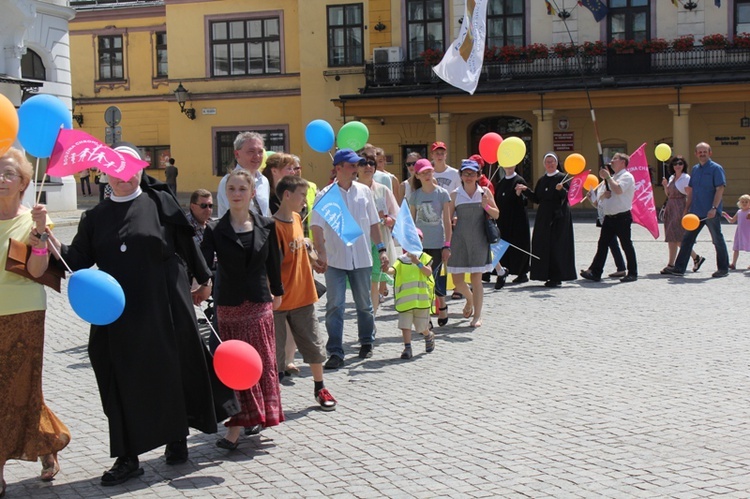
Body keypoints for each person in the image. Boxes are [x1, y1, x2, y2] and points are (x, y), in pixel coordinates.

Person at [46, 144, 217, 486]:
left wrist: (204, 279)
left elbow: (187, 244)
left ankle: (176, 436)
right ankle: (128, 457)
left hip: (162, 304)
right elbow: (75, 259)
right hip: (116, 313)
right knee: (118, 379)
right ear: (105, 174)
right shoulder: (94, 217)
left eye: (130, 168)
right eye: (115, 169)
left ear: (140, 170)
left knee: (169, 370)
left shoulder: (160, 203)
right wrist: (46, 235)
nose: (123, 176)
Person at [0, 148, 71, 496]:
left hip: (25, 315)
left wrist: (40, 235)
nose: (1, 179)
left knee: (20, 389)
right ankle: (49, 441)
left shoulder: (34, 220)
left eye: (8, 173)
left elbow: (37, 272)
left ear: (24, 182)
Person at [200, 169, 284, 450]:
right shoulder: (215, 228)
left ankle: (257, 415)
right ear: (226, 193)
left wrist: (278, 292)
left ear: (251, 193)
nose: (237, 194)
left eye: (242, 189)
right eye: (232, 189)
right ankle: (236, 425)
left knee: (262, 361)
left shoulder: (266, 224)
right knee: (235, 365)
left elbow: (274, 262)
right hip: (229, 305)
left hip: (259, 301)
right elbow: (202, 262)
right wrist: (199, 284)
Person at [310, 149, 389, 369]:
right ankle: (335, 351)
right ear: (338, 168)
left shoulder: (364, 192)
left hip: (362, 257)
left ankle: (366, 341)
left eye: (357, 165)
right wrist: (321, 253)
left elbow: (374, 223)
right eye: (352, 165)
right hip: (335, 259)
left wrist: (381, 249)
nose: (357, 169)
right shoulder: (325, 195)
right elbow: (316, 227)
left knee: (364, 304)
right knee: (335, 306)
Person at [272, 175, 336, 410]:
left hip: (304, 296)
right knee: (275, 353)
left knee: (313, 345)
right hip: (278, 301)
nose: (305, 201)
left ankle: (320, 387)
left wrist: (313, 259)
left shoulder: (298, 218)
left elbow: (301, 246)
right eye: (302, 195)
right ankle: (273, 398)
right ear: (287, 195)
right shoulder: (272, 227)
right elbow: (273, 263)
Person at [446, 159, 499, 328]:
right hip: (459, 240)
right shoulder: (454, 194)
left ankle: (477, 316)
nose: (468, 177)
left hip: (479, 239)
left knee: (477, 279)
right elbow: (447, 219)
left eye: (472, 174)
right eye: (465, 173)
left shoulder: (484, 192)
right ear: (460, 175)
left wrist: (487, 207)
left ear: (478, 175)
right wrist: (447, 240)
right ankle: (469, 299)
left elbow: (497, 214)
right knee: (457, 281)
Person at [665, 142, 730, 278]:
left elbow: (720, 189)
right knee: (687, 239)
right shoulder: (695, 169)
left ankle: (723, 268)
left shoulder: (716, 168)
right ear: (696, 154)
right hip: (695, 212)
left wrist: (714, 208)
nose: (702, 153)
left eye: (705, 151)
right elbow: (691, 191)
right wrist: (687, 209)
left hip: (710, 213)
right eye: (699, 152)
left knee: (717, 239)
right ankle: (679, 268)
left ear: (710, 153)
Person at [515, 152, 576, 287]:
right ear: (544, 164)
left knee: (556, 245)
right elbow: (537, 199)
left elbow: (569, 197)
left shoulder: (562, 178)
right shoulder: (542, 180)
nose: (550, 164)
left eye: (552, 161)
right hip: (543, 216)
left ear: (556, 163)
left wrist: (561, 190)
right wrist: (526, 190)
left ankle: (557, 277)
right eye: (547, 162)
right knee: (542, 245)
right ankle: (543, 274)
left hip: (559, 217)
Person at [580, 152, 638, 283]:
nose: (612, 161)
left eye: (615, 159)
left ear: (623, 162)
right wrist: (593, 198)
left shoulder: (626, 176)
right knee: (602, 244)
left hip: (622, 217)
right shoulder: (610, 178)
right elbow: (598, 203)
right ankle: (596, 272)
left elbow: (618, 190)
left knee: (626, 244)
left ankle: (633, 272)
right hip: (609, 217)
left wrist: (608, 178)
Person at [410, 158, 452, 326]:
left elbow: (447, 221)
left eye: (429, 171)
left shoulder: (442, 193)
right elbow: (411, 222)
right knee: (423, 281)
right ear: (418, 175)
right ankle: (426, 316)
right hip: (420, 245)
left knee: (435, 278)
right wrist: (410, 245)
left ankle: (442, 305)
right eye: (423, 173)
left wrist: (447, 244)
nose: (427, 175)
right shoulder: (415, 196)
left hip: (437, 242)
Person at [355, 152, 398, 315]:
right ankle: (364, 311)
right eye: (363, 163)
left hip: (379, 239)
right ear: (357, 168)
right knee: (361, 279)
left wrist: (386, 219)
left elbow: (395, 214)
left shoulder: (383, 190)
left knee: (374, 280)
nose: (368, 167)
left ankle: (371, 316)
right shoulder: (351, 189)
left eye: (371, 164)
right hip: (358, 239)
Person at [393, 229, 436, 360]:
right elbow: (393, 270)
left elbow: (428, 272)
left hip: (420, 301)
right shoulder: (401, 260)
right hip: (406, 301)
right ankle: (407, 347)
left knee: (421, 327)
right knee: (405, 325)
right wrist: (386, 269)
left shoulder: (425, 258)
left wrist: (417, 262)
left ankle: (428, 335)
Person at [660, 155, 704, 274]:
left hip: (680, 206)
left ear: (683, 165)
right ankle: (671, 263)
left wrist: (686, 209)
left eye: (680, 163)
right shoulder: (672, 178)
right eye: (675, 164)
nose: (678, 166)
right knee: (671, 237)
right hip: (671, 206)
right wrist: (665, 185)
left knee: (679, 237)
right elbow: (669, 194)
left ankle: (696, 257)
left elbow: (690, 194)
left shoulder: (686, 178)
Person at [216, 132, 270, 218]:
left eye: (260, 152)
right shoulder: (228, 181)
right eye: (251, 151)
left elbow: (265, 213)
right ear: (237, 154)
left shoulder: (264, 181)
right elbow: (235, 215)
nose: (257, 156)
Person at [493, 163, 531, 286]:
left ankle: (522, 273)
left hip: (517, 220)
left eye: (511, 164)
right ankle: (503, 270)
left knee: (519, 245)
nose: (509, 167)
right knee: (503, 244)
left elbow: (525, 201)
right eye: (506, 165)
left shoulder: (519, 180)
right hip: (503, 219)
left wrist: (518, 195)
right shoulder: (501, 183)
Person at [586, 172, 628, 278]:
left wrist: (603, 196)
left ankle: (593, 269)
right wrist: (591, 199)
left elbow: (610, 199)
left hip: (610, 218)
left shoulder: (612, 183)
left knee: (608, 244)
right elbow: (598, 204)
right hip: (603, 217)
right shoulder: (601, 185)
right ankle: (621, 268)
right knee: (611, 244)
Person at [722, 194, 750, 270]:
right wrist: (726, 215)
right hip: (740, 233)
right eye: (742, 202)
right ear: (740, 203)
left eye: (746, 202)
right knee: (736, 248)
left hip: (748, 233)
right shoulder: (739, 212)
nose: (744, 203)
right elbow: (732, 220)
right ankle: (733, 264)